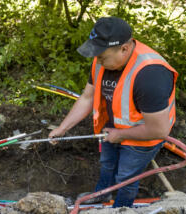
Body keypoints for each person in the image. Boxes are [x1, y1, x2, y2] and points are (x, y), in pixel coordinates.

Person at [49, 17, 178, 208]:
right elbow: (87, 97)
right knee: (107, 164)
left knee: (126, 176)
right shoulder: (101, 60)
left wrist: (121, 134)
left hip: (143, 135)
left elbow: (159, 130)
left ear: (124, 49)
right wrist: (62, 128)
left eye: (102, 56)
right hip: (110, 129)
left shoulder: (150, 75)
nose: (97, 60)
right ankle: (102, 195)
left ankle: (121, 208)